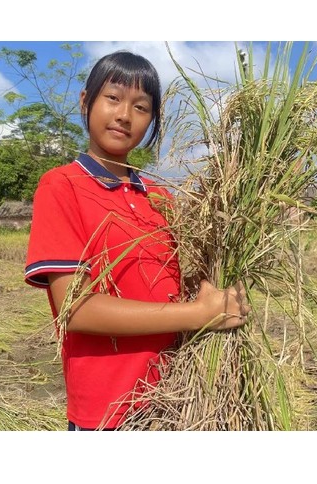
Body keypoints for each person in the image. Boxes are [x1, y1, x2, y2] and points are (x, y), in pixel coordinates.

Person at [24, 51, 250, 431]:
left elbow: (181, 289)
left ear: (152, 119)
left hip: (178, 397)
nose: (125, 114)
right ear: (86, 101)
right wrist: (200, 314)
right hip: (107, 411)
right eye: (113, 98)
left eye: (141, 106)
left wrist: (223, 296)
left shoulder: (163, 198)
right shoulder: (62, 186)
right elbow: (75, 309)